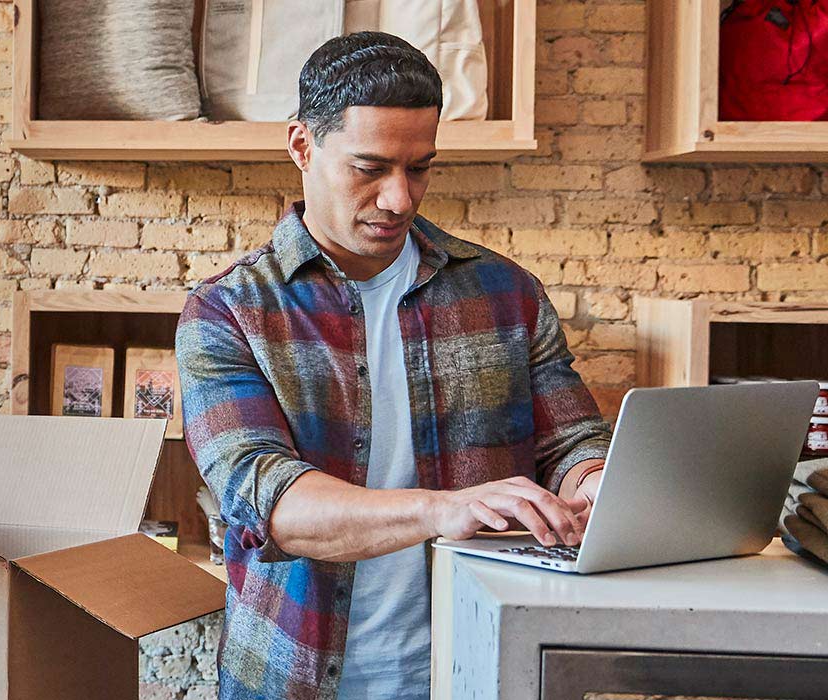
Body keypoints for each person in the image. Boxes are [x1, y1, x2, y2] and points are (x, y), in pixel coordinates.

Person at [177, 32, 614, 700]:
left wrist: (597, 486)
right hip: (293, 677)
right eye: (370, 168)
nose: (399, 199)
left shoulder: (505, 291)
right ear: (301, 146)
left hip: (481, 666)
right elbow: (270, 501)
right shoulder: (228, 311)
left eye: (420, 169)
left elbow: (572, 441)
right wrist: (447, 510)